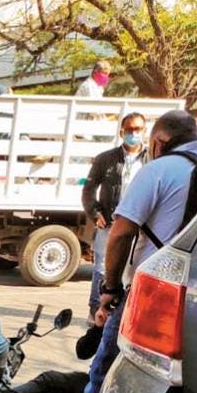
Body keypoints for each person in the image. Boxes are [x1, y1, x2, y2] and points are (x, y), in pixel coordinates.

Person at [44, 110, 197, 393]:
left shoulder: (158, 170)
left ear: (157, 141)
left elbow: (121, 233)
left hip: (155, 291)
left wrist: (108, 290)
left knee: (105, 367)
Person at [81, 113, 148, 323]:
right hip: (110, 223)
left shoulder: (152, 160)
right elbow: (89, 189)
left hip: (140, 225)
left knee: (133, 269)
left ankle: (123, 316)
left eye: (138, 129)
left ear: (144, 131)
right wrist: (95, 212)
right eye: (129, 130)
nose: (133, 134)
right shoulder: (106, 159)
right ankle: (96, 313)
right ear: (121, 132)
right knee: (102, 268)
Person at [0, 324, 103, 393]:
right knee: (50, 379)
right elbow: (82, 353)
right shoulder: (111, 324)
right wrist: (97, 328)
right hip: (94, 381)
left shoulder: (117, 328)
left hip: (108, 391)